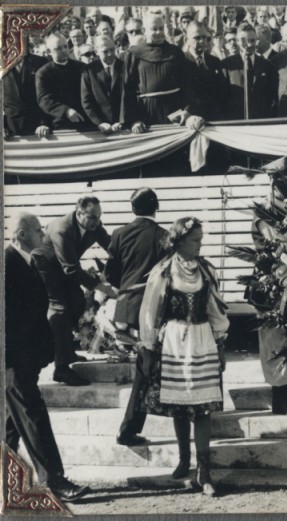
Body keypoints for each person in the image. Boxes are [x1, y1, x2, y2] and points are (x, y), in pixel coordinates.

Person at [138, 217, 229, 497]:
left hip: (202, 339)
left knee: (203, 406)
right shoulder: (163, 271)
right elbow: (150, 312)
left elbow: (215, 309)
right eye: (195, 239)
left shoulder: (206, 270)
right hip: (175, 341)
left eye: (201, 239)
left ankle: (204, 470)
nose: (200, 243)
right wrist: (149, 349)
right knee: (179, 404)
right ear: (179, 241)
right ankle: (183, 459)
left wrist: (221, 343)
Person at [6, 212, 91, 502]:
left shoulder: (27, 260)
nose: (44, 235)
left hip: (24, 359)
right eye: (39, 231)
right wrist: (14, 362)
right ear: (23, 234)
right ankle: (53, 481)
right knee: (34, 416)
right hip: (13, 361)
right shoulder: (7, 263)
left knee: (11, 423)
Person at [104, 188, 168, 446]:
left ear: (132, 208)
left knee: (146, 365)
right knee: (146, 367)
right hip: (151, 310)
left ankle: (132, 426)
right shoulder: (163, 236)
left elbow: (110, 276)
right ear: (157, 206)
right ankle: (128, 429)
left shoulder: (119, 234)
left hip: (126, 308)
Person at [32, 196, 117, 387]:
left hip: (66, 266)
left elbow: (111, 246)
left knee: (78, 302)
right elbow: (70, 269)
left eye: (99, 217)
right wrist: (103, 287)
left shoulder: (94, 224)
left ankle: (66, 349)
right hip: (45, 266)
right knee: (60, 308)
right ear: (79, 213)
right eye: (93, 217)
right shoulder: (62, 229)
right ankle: (61, 369)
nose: (97, 221)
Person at [251, 157, 287, 415]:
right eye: (286, 184)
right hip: (272, 282)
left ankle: (285, 391)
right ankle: (280, 398)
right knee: (274, 338)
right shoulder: (264, 211)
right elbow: (276, 243)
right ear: (274, 185)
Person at [122, 13, 196, 132]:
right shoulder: (134, 53)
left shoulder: (175, 52)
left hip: (174, 112)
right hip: (146, 114)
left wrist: (187, 110)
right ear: (144, 30)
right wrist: (134, 120)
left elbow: (187, 85)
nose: (159, 32)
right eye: (154, 29)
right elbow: (128, 90)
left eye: (161, 28)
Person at [222, 23, 279, 120]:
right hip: (235, 123)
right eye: (244, 41)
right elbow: (222, 97)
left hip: (261, 121)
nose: (249, 45)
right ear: (237, 41)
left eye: (252, 40)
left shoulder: (267, 65)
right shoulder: (226, 65)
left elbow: (273, 96)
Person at [36, 33, 90, 131]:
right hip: (60, 123)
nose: (64, 50)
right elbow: (44, 99)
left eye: (65, 46)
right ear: (49, 51)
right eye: (58, 48)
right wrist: (65, 111)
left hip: (86, 121)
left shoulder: (81, 67)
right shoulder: (43, 73)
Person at [3, 42, 50, 137]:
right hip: (10, 129)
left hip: (39, 128)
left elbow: (48, 95)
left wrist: (44, 123)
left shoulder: (41, 62)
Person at [184, 22, 228, 122]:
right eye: (197, 37)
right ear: (187, 39)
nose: (202, 41)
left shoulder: (215, 61)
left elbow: (221, 92)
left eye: (205, 37)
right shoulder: (181, 61)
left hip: (213, 120)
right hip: (191, 120)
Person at [80, 35, 124, 133]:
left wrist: (122, 121)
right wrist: (99, 123)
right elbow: (86, 101)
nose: (109, 54)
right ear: (96, 52)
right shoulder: (89, 70)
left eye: (112, 50)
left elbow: (130, 97)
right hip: (100, 127)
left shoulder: (124, 67)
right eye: (105, 51)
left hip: (123, 125)